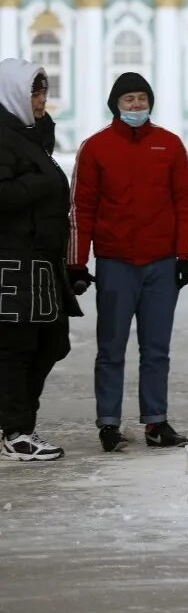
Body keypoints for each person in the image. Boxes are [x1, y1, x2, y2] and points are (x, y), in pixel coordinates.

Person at [69, 72, 188, 453]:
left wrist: (185, 255)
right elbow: (82, 208)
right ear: (116, 105)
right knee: (110, 347)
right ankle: (108, 423)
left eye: (142, 98)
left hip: (160, 264)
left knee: (156, 348)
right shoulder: (95, 148)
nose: (137, 105)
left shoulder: (169, 145)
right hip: (115, 263)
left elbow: (187, 201)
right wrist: (76, 263)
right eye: (129, 100)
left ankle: (156, 422)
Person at [0, 61, 81, 462]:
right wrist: (44, 181)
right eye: (35, 93)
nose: (42, 101)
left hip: (41, 262)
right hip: (12, 263)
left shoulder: (31, 136)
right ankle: (16, 430)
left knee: (51, 344)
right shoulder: (3, 137)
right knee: (17, 349)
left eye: (44, 93)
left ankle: (15, 423)